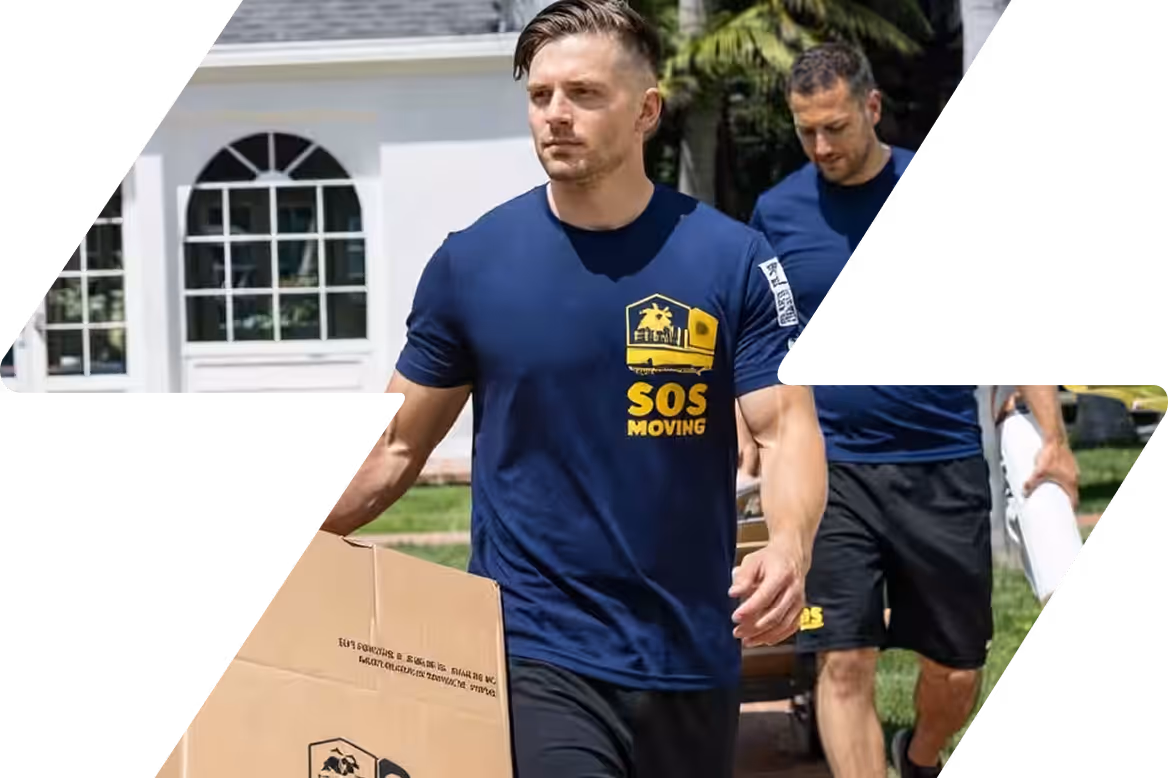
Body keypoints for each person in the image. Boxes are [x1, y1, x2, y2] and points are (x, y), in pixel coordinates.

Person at [320, 2, 828, 777]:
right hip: (531, 647)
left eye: (585, 94)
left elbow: (787, 428)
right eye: (540, 95)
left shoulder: (734, 261)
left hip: (691, 653)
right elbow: (395, 445)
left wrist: (790, 544)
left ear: (646, 111)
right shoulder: (473, 264)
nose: (556, 114)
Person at [746, 44, 1079, 778]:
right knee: (844, 658)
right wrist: (746, 421)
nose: (822, 146)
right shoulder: (777, 211)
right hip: (830, 471)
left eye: (835, 126)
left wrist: (1053, 437)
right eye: (807, 132)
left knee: (958, 667)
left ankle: (920, 756)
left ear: (871, 108)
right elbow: (757, 331)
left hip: (941, 464)